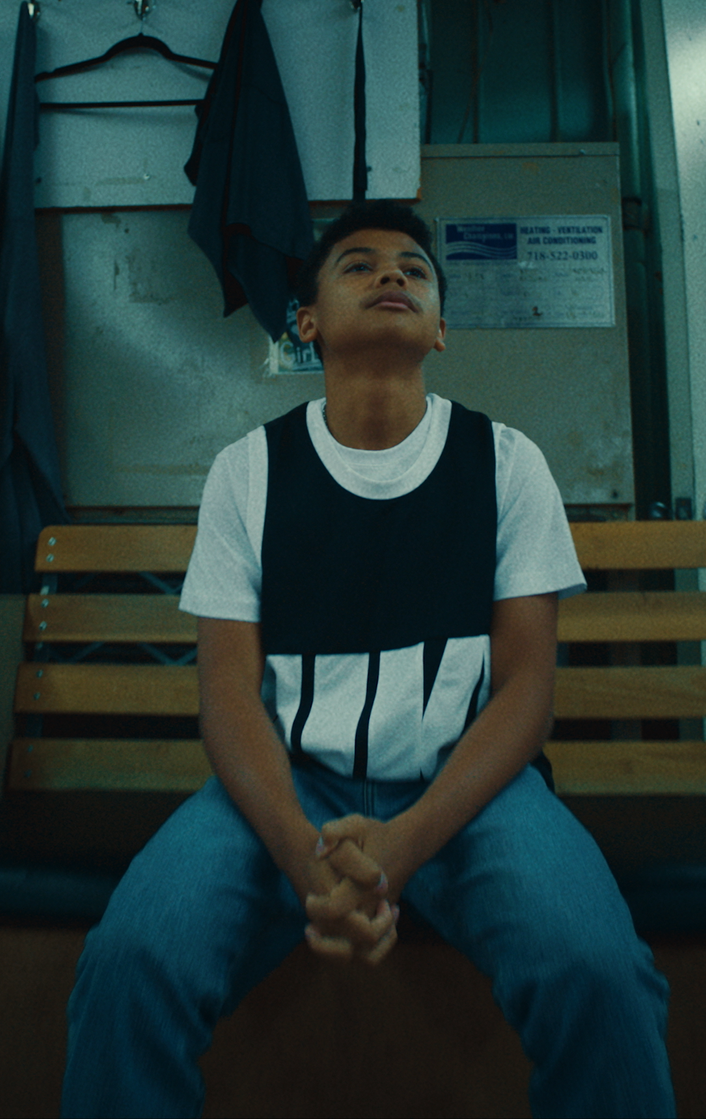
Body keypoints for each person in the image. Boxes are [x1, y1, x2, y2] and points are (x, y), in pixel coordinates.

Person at [63, 200, 674, 1117]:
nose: (392, 275)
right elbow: (228, 696)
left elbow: (524, 693)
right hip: (289, 782)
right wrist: (309, 861)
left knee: (601, 973)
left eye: (414, 271)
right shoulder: (248, 470)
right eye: (357, 264)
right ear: (307, 323)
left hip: (470, 790)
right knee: (128, 960)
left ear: (439, 329)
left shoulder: (508, 463)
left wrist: (400, 847)